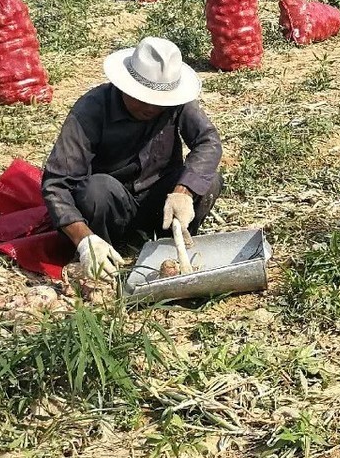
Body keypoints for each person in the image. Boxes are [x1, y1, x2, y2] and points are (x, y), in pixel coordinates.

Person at [42, 37, 223, 281]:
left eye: (159, 103)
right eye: (142, 98)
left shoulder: (176, 102)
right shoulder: (92, 108)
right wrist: (84, 239)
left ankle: (174, 244)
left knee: (207, 180)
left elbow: (208, 142)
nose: (151, 107)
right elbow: (56, 183)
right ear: (124, 86)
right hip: (112, 207)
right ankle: (106, 253)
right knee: (97, 189)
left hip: (162, 205)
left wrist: (183, 191)